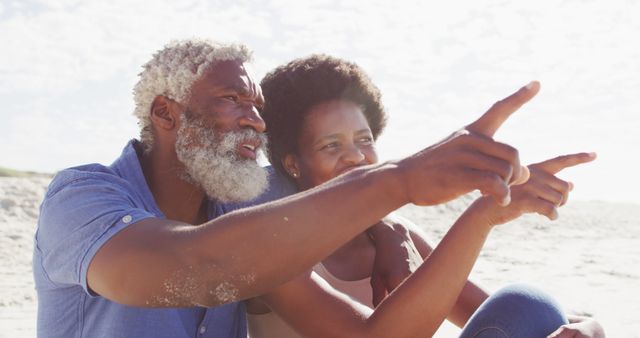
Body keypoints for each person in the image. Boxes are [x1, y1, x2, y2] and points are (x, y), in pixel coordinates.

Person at [34, 39, 544, 338]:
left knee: (534, 310)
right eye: (233, 99)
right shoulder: (82, 199)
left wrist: (478, 214)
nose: (255, 122)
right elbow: (198, 267)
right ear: (166, 113)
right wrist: (401, 181)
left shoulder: (242, 205)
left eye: (258, 108)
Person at [240, 54, 604, 338]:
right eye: (331, 145)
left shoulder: (399, 233)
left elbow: (512, 316)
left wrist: (591, 328)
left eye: (364, 140)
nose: (355, 156)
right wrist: (483, 215)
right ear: (293, 164)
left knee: (527, 305)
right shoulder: (275, 249)